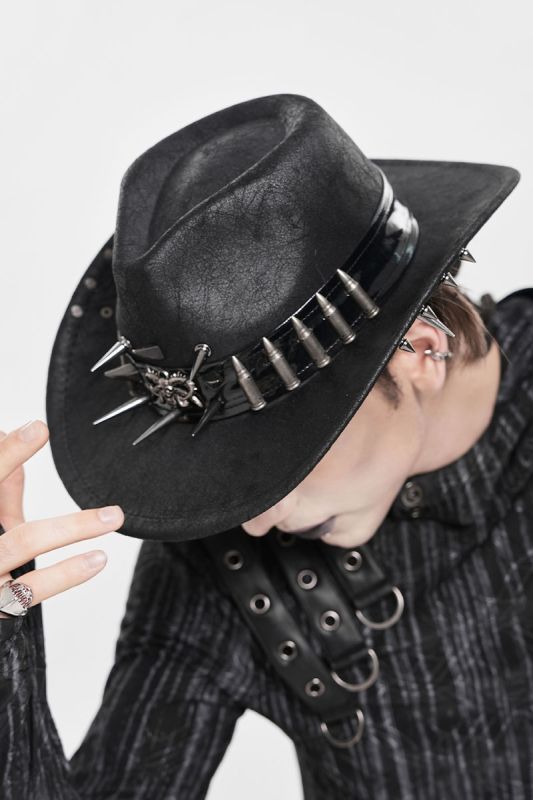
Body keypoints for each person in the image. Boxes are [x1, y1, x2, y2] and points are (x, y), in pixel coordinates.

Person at [1, 93, 530, 799]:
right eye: (236, 458)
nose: (252, 521)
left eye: (289, 445)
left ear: (420, 351)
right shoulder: (220, 563)